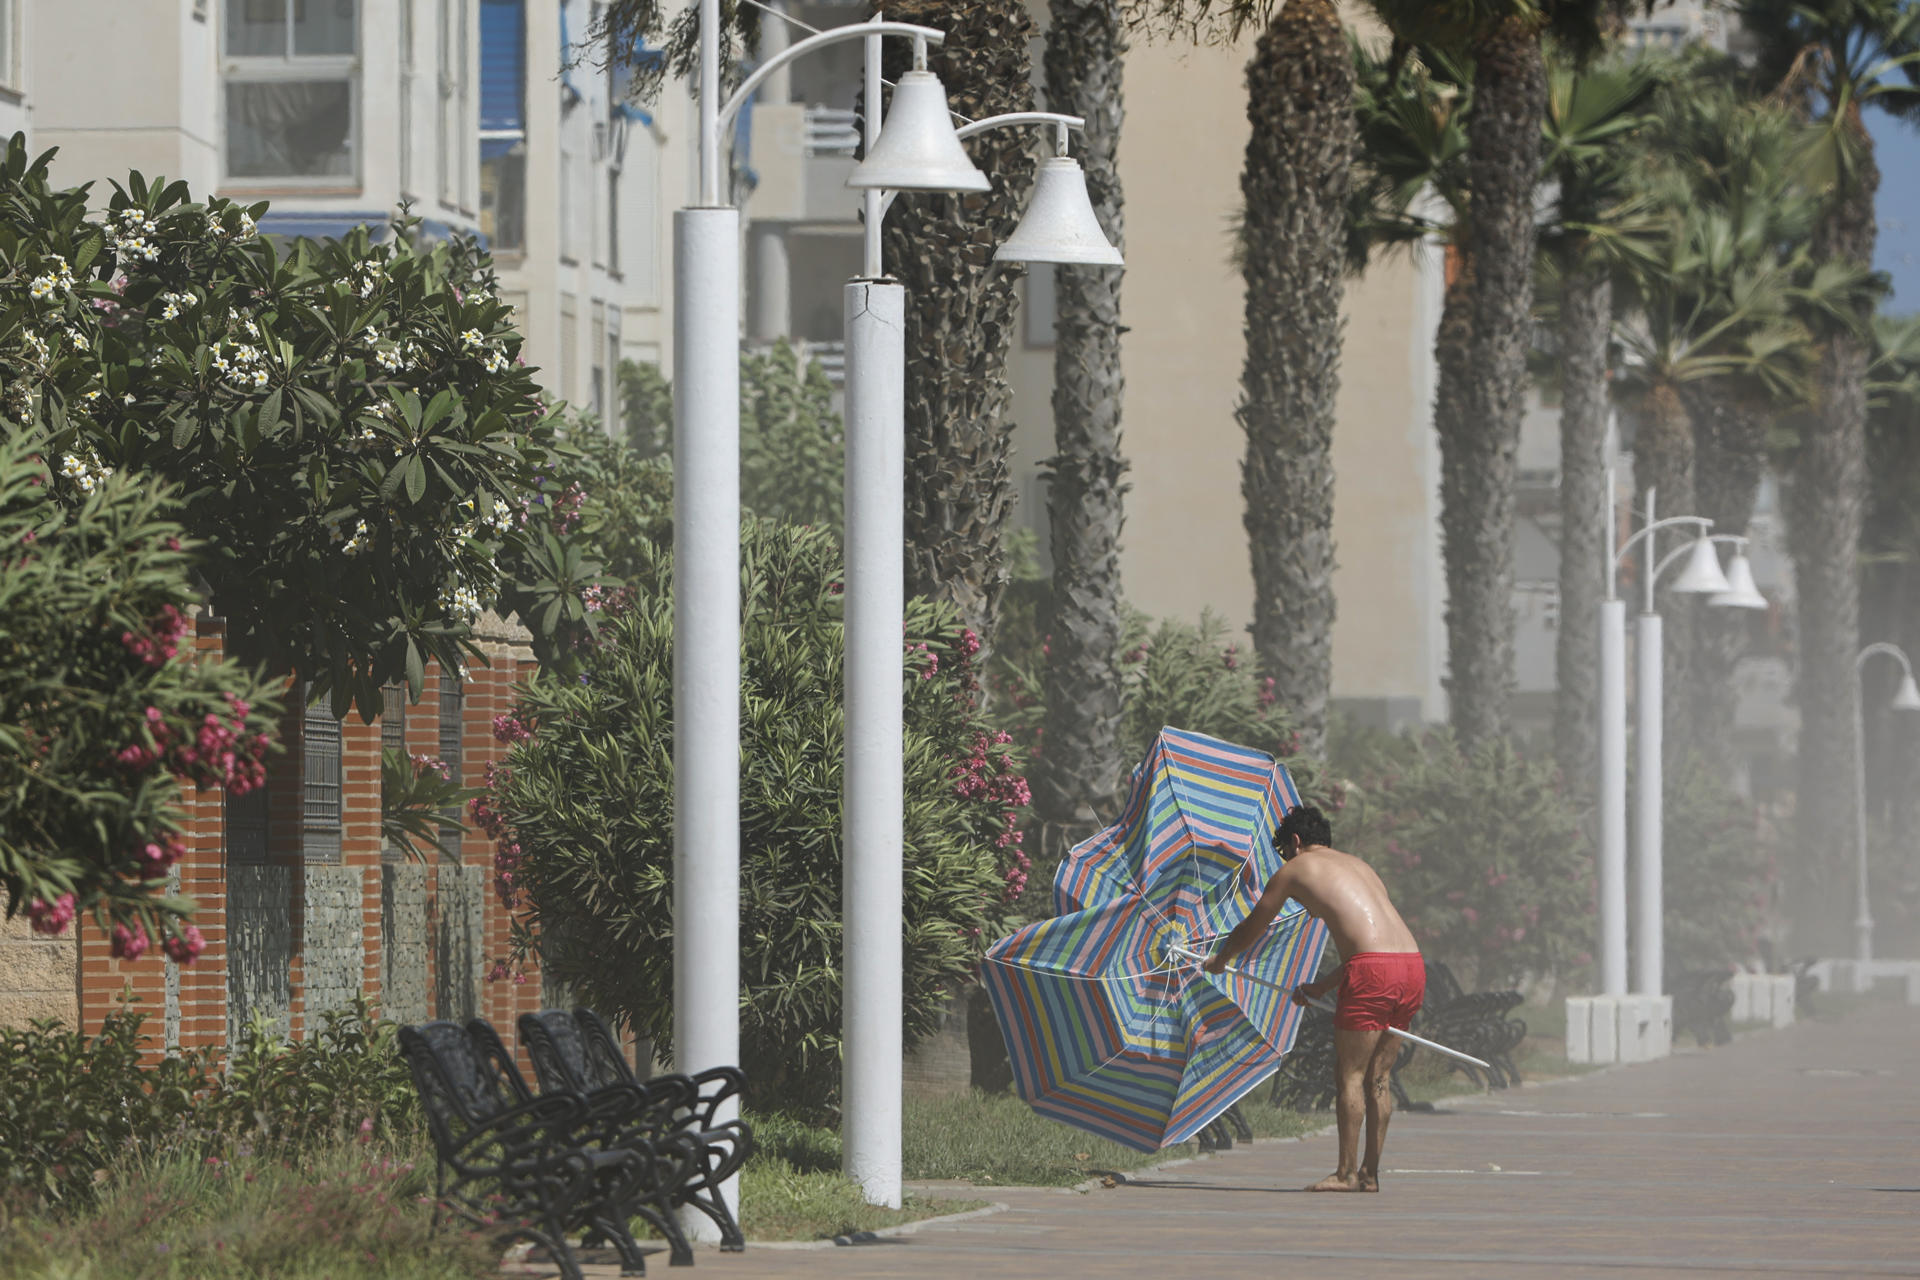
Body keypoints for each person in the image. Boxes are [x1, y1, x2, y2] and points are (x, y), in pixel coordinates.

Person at [1203, 803, 1423, 1192]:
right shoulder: (1362, 867)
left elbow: (1254, 925)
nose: (1285, 861)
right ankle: (1370, 1174)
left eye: (1285, 852)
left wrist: (1222, 959)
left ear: (1296, 842)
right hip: (1411, 966)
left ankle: (1345, 1173)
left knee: (1351, 1075)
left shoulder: (1296, 868)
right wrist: (1322, 987)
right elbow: (1377, 949)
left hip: (1372, 970)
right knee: (1380, 1078)